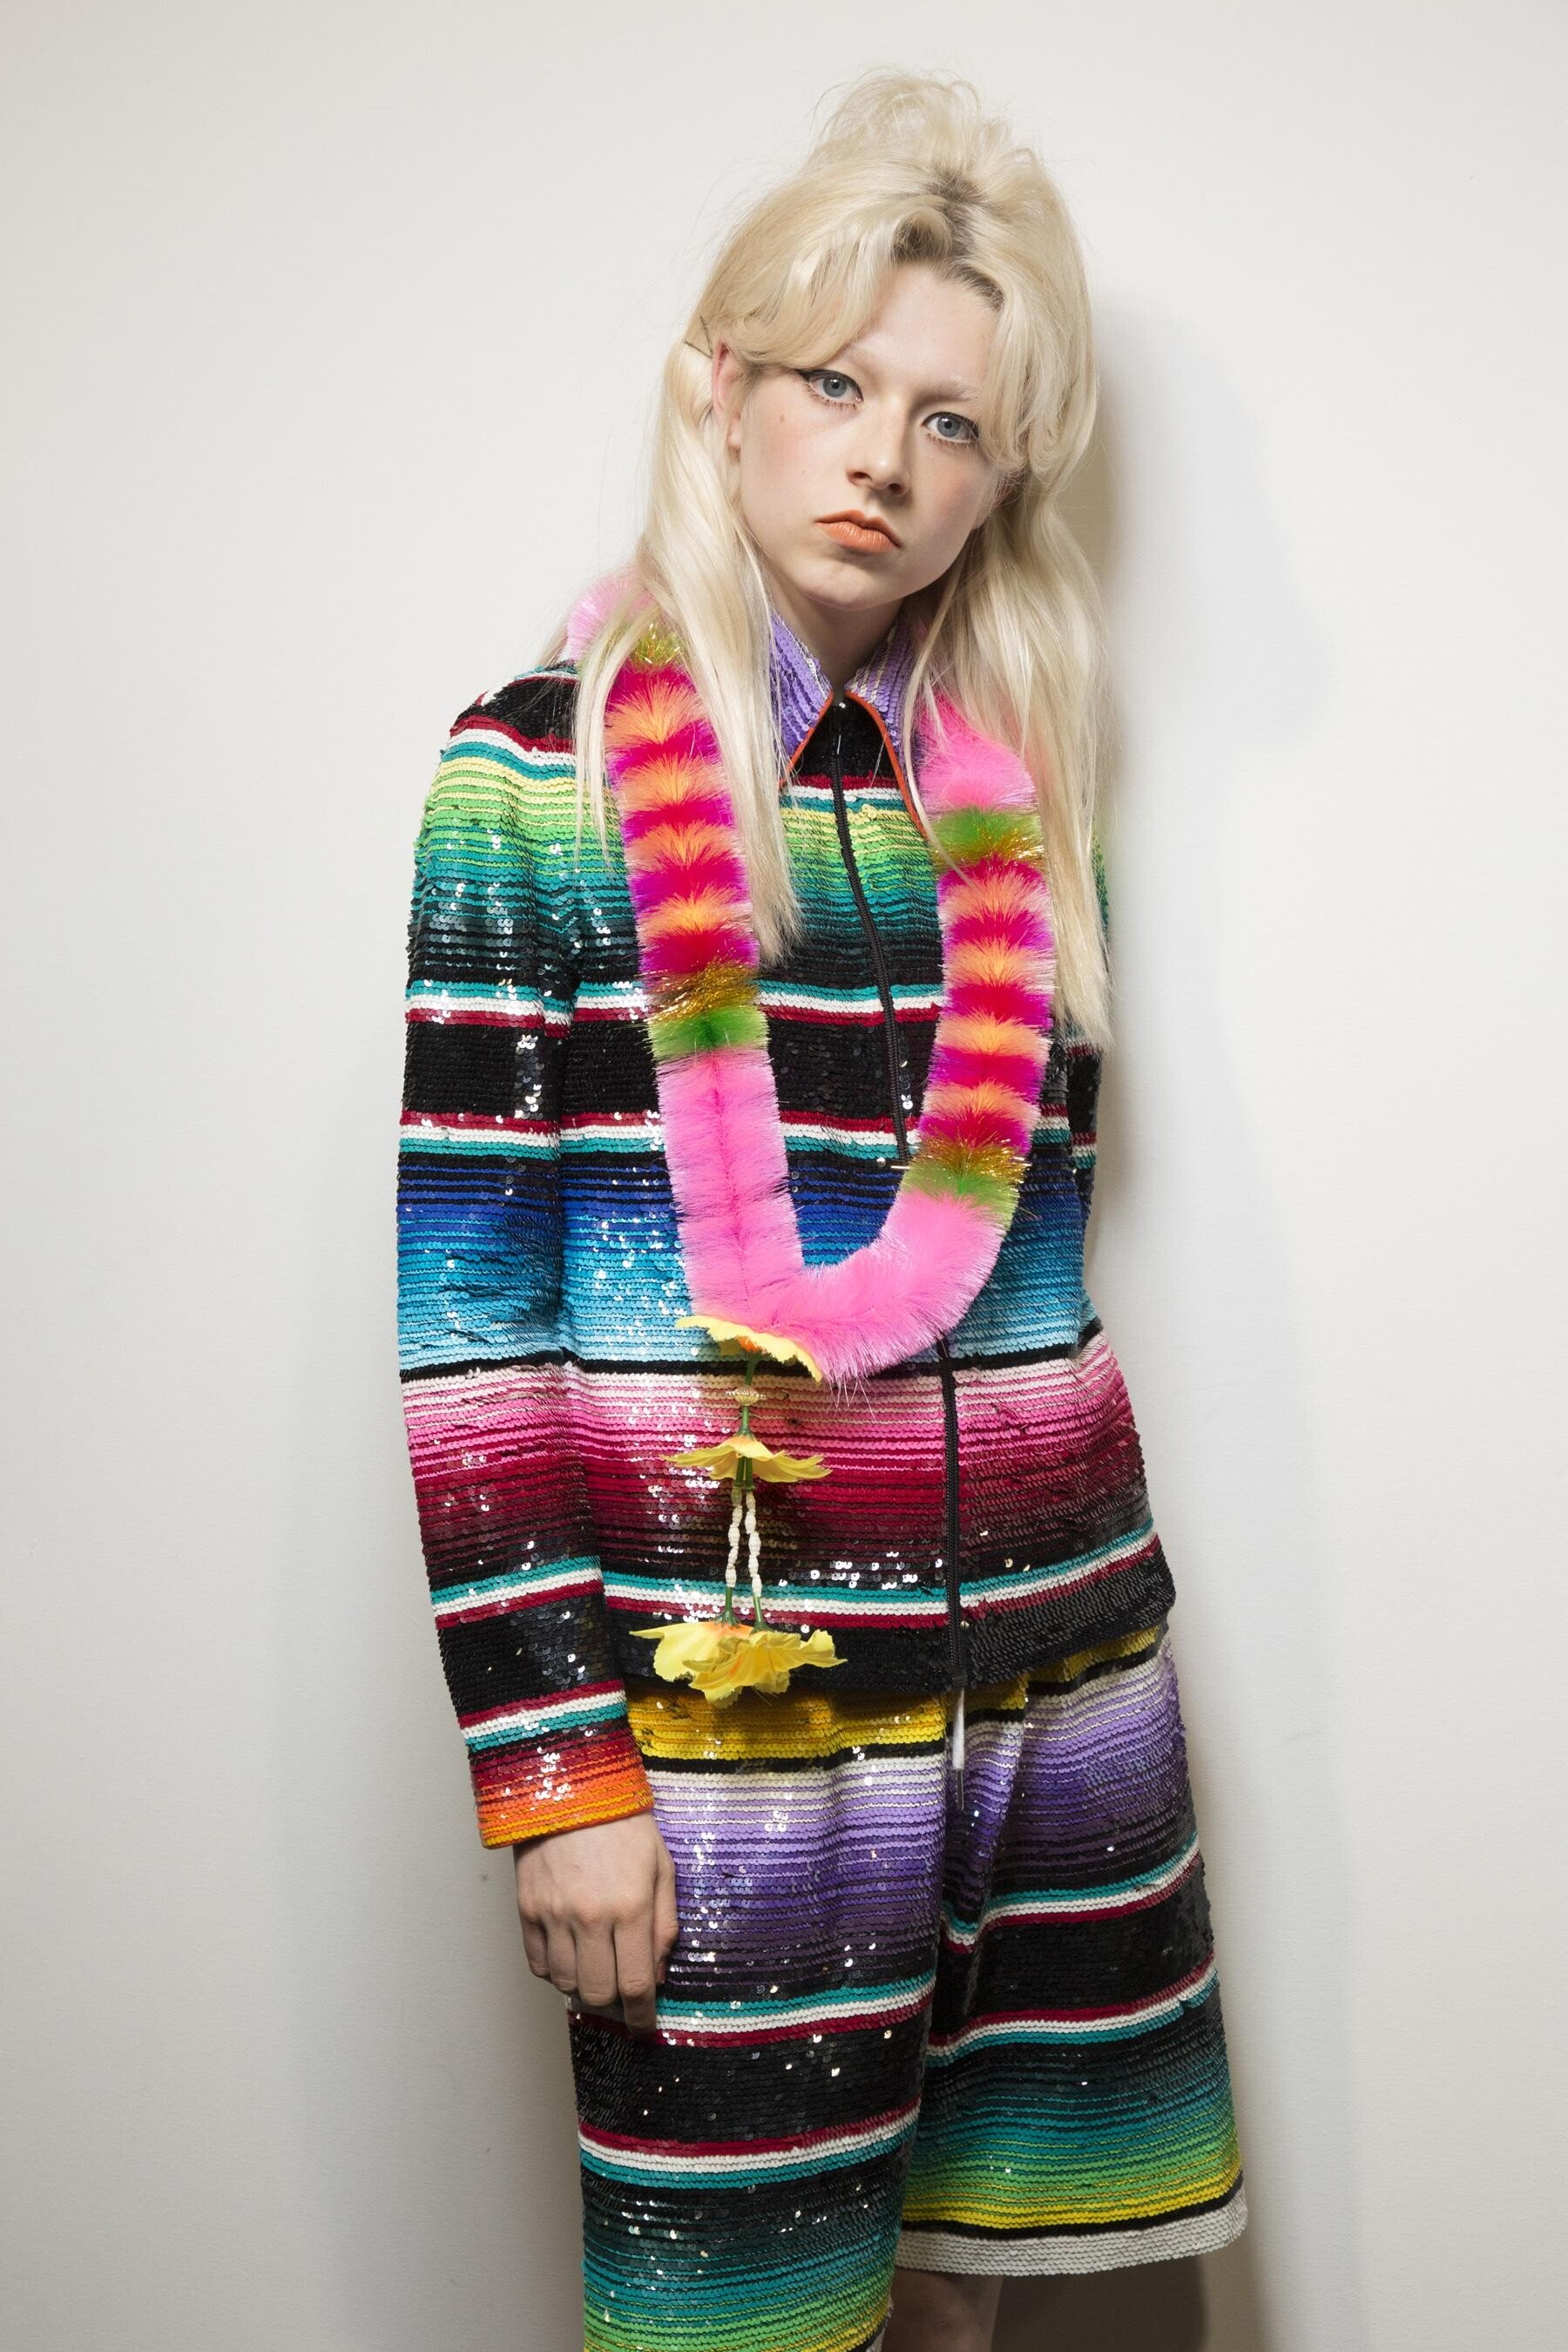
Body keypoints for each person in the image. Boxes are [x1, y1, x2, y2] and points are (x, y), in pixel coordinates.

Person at [396, 66, 1247, 2352]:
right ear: (725, 387)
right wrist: (554, 1771)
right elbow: (471, 1326)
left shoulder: (1026, 803)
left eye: (950, 422)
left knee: (974, 2309)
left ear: (1002, 479)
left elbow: (1033, 1251)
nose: (884, 459)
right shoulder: (539, 770)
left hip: (1058, 1683)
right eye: (838, 385)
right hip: (739, 1723)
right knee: (757, 2319)